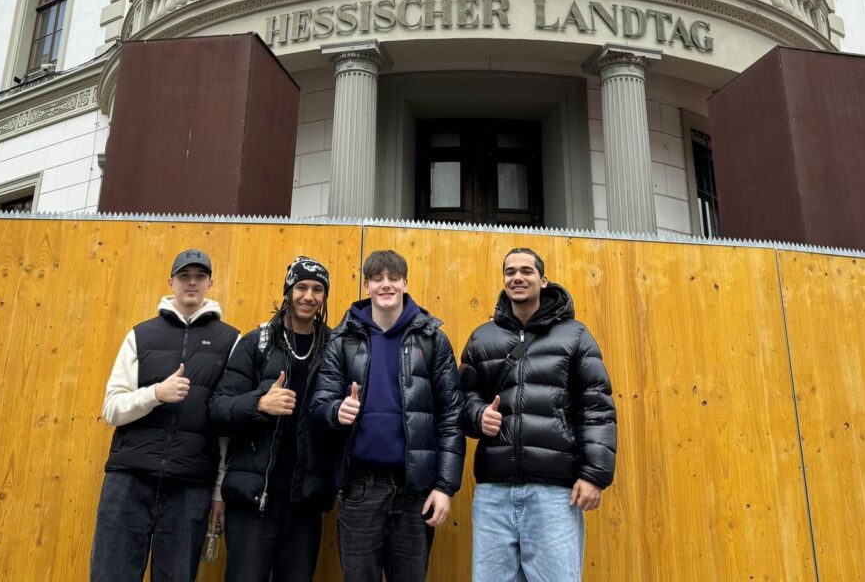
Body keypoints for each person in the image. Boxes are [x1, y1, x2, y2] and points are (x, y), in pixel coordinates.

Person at [459, 247, 616, 582]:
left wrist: (594, 476)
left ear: (543, 280)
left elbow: (597, 407)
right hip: (493, 494)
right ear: (503, 280)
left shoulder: (575, 335)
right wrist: (477, 416)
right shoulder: (482, 338)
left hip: (554, 494)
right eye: (510, 271)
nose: (518, 277)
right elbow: (462, 398)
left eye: (527, 271)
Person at [310, 249, 465, 582]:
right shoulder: (342, 340)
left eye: (393, 278)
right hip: (360, 488)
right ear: (366, 286)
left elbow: (452, 415)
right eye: (377, 279)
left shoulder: (432, 339)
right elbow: (318, 406)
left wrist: (444, 486)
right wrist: (336, 411)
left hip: (416, 490)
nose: (386, 285)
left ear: (405, 283)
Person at [90, 248, 240, 582]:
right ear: (170, 281)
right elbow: (111, 408)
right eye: (184, 276)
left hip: (190, 485)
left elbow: (227, 430)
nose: (191, 282)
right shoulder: (140, 335)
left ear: (210, 282)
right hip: (129, 479)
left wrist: (218, 492)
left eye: (199, 276)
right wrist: (156, 394)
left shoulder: (230, 340)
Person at [209, 257, 338, 582]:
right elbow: (218, 409)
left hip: (305, 499)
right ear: (288, 291)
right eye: (302, 287)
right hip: (255, 498)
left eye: (317, 289)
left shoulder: (334, 347)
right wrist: (259, 403)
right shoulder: (257, 343)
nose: (309, 296)